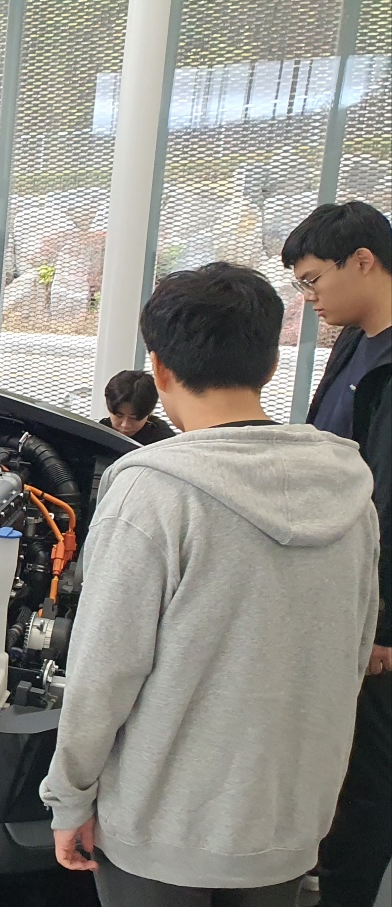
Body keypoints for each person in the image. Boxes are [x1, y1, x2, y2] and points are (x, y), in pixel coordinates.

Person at [41, 263, 381, 906]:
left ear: (160, 369)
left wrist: (69, 797)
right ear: (271, 366)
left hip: (160, 833)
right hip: (287, 829)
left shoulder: (152, 494)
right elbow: (354, 652)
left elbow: (103, 672)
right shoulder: (349, 494)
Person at [285, 200, 392, 907]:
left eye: (313, 279)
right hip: (337, 587)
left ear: (363, 260)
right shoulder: (355, 342)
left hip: (377, 614)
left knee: (368, 772)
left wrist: (383, 622)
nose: (309, 297)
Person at [98, 369, 176, 444]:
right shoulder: (99, 432)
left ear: (149, 413)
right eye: (119, 416)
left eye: (134, 418)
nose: (125, 425)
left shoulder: (164, 440)